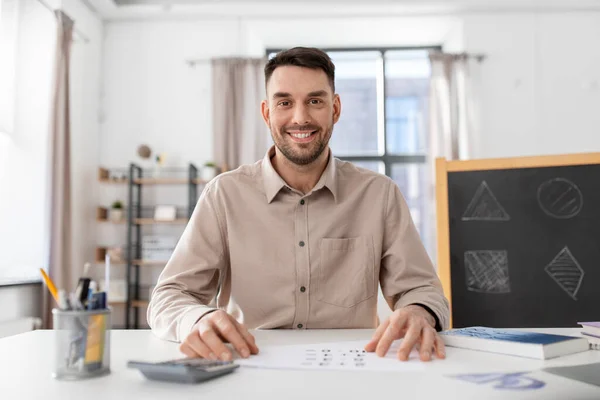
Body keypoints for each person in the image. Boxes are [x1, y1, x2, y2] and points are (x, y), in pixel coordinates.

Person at [147, 47, 450, 363]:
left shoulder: (379, 195)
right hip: (249, 367)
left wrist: (419, 310)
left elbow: (424, 291)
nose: (300, 117)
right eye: (285, 103)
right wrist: (197, 319)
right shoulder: (224, 195)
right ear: (267, 113)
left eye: (315, 101)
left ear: (335, 108)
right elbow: (169, 297)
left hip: (351, 370)